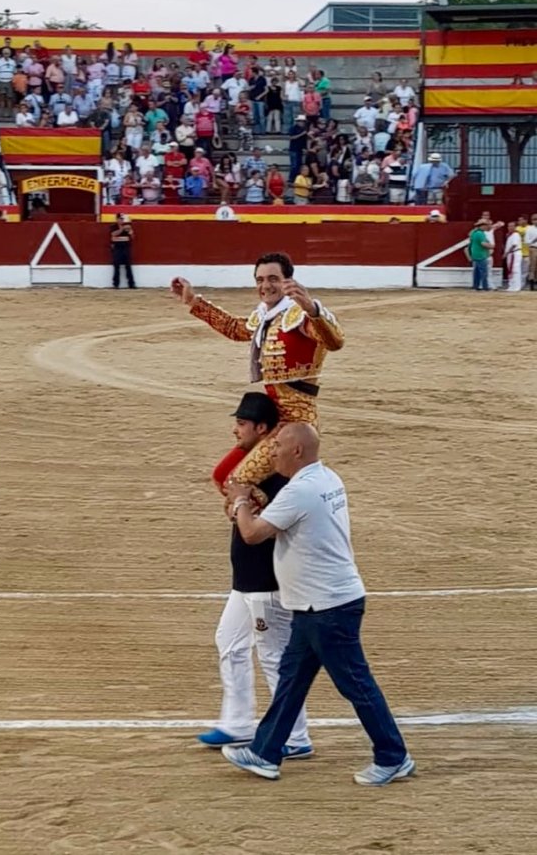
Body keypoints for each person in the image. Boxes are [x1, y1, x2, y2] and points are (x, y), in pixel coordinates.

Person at [223, 423, 415, 786]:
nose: (271, 452)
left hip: (328, 608)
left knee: (356, 684)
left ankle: (394, 756)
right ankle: (265, 752)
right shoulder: (326, 478)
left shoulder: (301, 491)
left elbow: (252, 534)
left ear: (297, 451)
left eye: (278, 446)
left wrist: (240, 499)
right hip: (317, 604)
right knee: (291, 681)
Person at [170, 253, 344, 497]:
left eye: (273, 278)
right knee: (223, 475)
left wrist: (312, 309)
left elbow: (335, 342)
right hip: (273, 418)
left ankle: (267, 519)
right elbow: (235, 328)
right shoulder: (266, 316)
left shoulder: (300, 317)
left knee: (237, 483)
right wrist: (192, 301)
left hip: (297, 423)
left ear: (288, 281)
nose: (265, 286)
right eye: (260, 280)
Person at [198, 394, 312, 758]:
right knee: (229, 642)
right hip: (246, 579)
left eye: (242, 424)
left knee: (274, 655)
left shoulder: (277, 475)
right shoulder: (254, 470)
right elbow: (224, 478)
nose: (235, 430)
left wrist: (240, 501)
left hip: (267, 581)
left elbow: (261, 525)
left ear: (262, 428)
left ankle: (295, 736)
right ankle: (238, 723)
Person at [467, 217, 494, 291]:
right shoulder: (480, 233)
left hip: (475, 254)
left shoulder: (474, 233)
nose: (486, 227)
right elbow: (483, 244)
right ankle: (485, 287)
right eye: (485, 225)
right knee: (484, 272)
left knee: (477, 272)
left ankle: (476, 286)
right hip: (481, 255)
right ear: (482, 226)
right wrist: (491, 246)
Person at [110, 214, 136, 289]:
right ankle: (116, 284)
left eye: (122, 219)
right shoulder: (113, 226)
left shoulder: (127, 227)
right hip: (117, 249)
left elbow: (132, 237)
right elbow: (113, 234)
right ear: (117, 219)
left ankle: (131, 284)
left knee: (128, 266)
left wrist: (131, 232)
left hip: (125, 248)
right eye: (120, 219)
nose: (121, 220)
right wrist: (122, 229)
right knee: (116, 266)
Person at [504, 221, 523, 293]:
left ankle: (517, 286)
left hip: (514, 253)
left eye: (512, 226)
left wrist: (506, 253)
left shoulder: (516, 234)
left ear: (515, 227)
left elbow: (514, 245)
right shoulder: (509, 235)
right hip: (510, 254)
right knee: (510, 270)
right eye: (509, 226)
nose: (510, 228)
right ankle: (511, 285)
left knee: (515, 269)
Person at [525, 212, 537, 291]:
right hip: (533, 248)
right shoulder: (529, 228)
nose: (536, 221)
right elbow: (527, 241)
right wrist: (534, 240)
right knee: (533, 266)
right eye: (534, 219)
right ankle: (532, 284)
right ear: (532, 220)